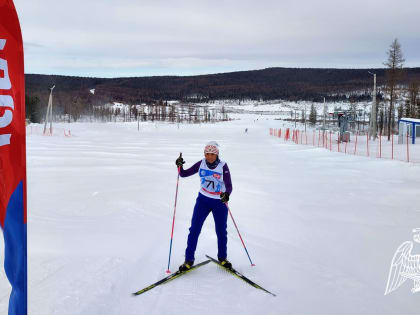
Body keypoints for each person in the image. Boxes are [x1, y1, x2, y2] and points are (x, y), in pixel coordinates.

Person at [175, 141, 233, 271]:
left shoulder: (223, 166)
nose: (210, 156)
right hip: (203, 200)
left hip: (219, 202)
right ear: (204, 154)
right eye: (207, 154)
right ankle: (188, 260)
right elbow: (183, 174)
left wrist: (227, 194)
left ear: (217, 154)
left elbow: (229, 186)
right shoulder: (200, 164)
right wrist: (179, 166)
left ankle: (222, 258)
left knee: (221, 231)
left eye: (212, 154)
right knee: (194, 230)